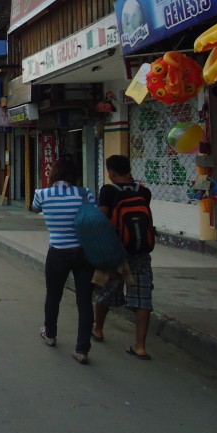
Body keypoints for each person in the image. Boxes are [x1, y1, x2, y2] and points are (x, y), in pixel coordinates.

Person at [31, 157, 95, 364]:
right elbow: (93, 216)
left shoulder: (42, 194)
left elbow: (35, 209)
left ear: (54, 173)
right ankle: (82, 349)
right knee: (84, 302)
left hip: (57, 251)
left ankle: (50, 334)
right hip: (83, 253)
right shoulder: (85, 194)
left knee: (53, 295)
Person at [93, 154, 155, 360]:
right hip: (141, 252)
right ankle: (140, 346)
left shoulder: (108, 191)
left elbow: (102, 217)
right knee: (142, 296)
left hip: (115, 252)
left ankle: (98, 329)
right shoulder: (143, 191)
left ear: (110, 173)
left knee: (106, 291)